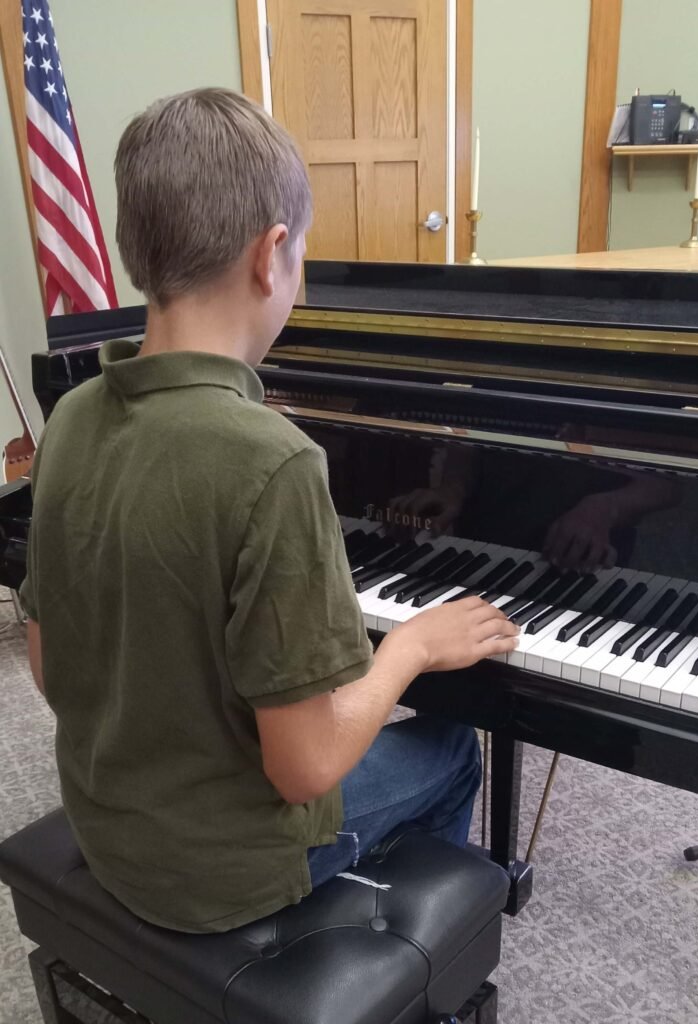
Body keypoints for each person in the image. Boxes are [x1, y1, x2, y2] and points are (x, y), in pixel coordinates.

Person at [20, 88, 519, 934]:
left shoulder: (69, 419)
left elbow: (45, 665)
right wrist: (404, 650)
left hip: (110, 830)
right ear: (271, 254)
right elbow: (306, 769)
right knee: (447, 749)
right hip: (222, 878)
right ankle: (409, 976)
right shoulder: (272, 458)